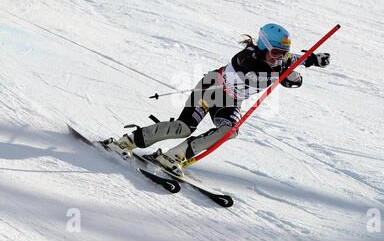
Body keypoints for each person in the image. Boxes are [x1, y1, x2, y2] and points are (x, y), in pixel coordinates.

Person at [103, 23, 330, 176]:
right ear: (263, 46)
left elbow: (295, 59)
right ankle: (127, 141)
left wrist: (313, 59)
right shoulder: (247, 59)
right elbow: (257, 76)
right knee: (184, 127)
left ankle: (174, 157)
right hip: (212, 89)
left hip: (230, 102)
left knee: (230, 130)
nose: (279, 57)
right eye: (276, 53)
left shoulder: (280, 60)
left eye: (282, 53)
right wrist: (287, 76)